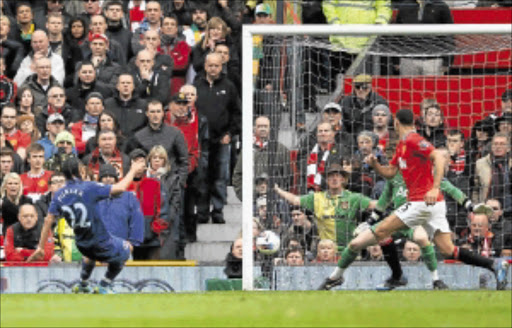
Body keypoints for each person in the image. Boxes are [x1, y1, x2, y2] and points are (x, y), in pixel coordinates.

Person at [318, 109, 510, 291]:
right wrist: (375, 164)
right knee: (448, 250)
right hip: (429, 206)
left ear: (395, 122)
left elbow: (438, 157)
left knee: (376, 233)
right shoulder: (402, 146)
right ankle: (494, 264)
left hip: (421, 202)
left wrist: (434, 187)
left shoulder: (412, 139)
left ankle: (339, 276)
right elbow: (390, 173)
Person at [27, 156, 146, 294]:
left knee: (90, 257)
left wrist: (40, 247)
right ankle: (104, 285)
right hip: (101, 242)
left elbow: (48, 220)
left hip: (81, 245)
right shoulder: (89, 187)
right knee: (126, 250)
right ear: (80, 171)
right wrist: (132, 171)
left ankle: (83, 284)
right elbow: (120, 188)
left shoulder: (59, 194)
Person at [275, 163, 377, 252]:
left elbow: (373, 204)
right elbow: (295, 200)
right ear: (327, 180)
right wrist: (277, 190)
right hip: (325, 252)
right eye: (331, 176)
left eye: (337, 175)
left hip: (349, 251)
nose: (334, 179)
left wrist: (391, 198)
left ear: (342, 179)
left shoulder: (354, 198)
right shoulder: (317, 198)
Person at [96, 163, 144, 258]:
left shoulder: (129, 198)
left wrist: (132, 244)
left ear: (116, 179)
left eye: (111, 176)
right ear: (100, 179)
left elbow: (137, 221)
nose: (108, 178)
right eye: (105, 176)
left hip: (122, 250)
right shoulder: (93, 198)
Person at [473, 133, 511, 214]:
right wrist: (476, 206)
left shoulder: (510, 164)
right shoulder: (480, 163)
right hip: (486, 209)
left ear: (508, 148)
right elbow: (475, 189)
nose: (498, 147)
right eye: (495, 144)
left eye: (502, 144)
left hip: (509, 210)